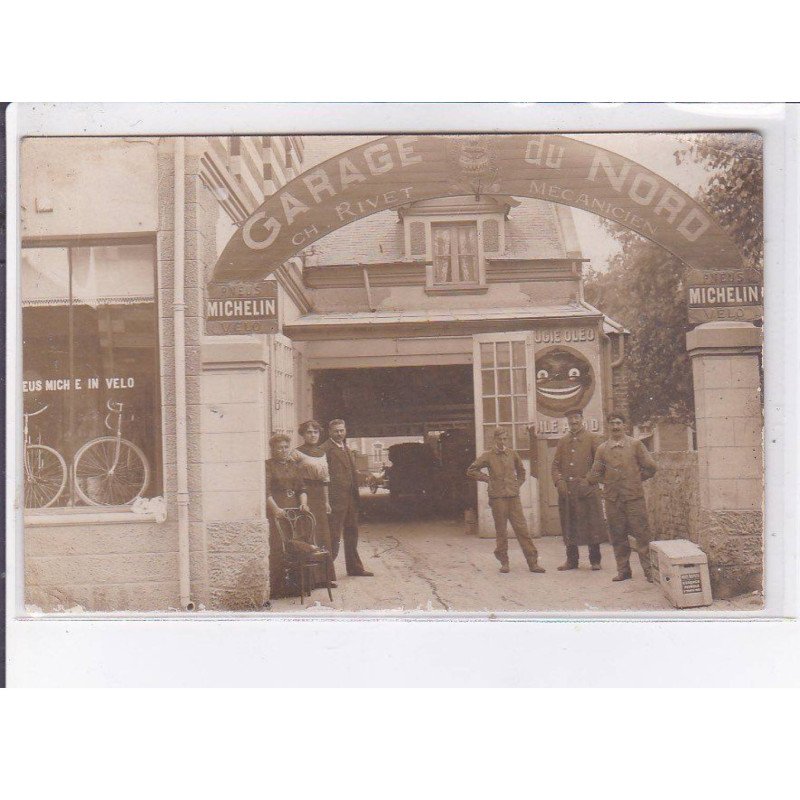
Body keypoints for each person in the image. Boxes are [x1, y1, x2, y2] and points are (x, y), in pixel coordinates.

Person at [587, 411, 657, 582]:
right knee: (618, 536)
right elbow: (594, 475)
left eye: (618, 423)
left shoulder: (636, 445)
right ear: (608, 426)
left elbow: (651, 467)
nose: (615, 426)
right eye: (612, 423)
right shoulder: (602, 449)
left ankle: (649, 571)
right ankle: (623, 571)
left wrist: (637, 479)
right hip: (613, 500)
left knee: (642, 536)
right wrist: (609, 481)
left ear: (625, 426)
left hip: (634, 498)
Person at [466, 427, 545, 574]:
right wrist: (487, 479)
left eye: (505, 439)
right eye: (500, 439)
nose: (502, 442)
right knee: (501, 531)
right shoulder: (488, 456)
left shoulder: (512, 454)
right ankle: (504, 562)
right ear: (495, 439)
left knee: (522, 530)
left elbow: (522, 471)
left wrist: (516, 484)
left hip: (513, 498)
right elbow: (471, 470)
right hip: (498, 499)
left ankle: (533, 563)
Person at [551, 408, 609, 571]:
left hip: (587, 490)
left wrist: (588, 480)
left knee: (592, 525)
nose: (573, 421)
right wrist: (559, 481)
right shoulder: (563, 441)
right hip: (568, 491)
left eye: (576, 418)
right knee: (569, 525)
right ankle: (572, 560)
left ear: (582, 419)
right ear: (567, 421)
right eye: (570, 419)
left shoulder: (592, 439)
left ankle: (595, 560)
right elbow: (555, 466)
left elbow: (600, 464)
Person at [321, 419, 374, 577]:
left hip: (350, 498)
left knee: (352, 533)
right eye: (336, 431)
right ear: (329, 432)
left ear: (345, 430)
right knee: (334, 535)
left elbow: (350, 472)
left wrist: (365, 477)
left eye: (342, 430)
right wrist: (326, 501)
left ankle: (355, 568)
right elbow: (323, 477)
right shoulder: (325, 449)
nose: (339, 434)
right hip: (335, 500)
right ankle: (326, 573)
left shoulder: (346, 447)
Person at [265, 433, 312, 598]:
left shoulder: (294, 465)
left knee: (297, 545)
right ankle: (277, 589)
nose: (284, 450)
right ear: (272, 449)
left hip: (294, 513)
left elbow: (302, 489)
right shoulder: (268, 466)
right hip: (277, 512)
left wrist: (303, 504)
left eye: (286, 447)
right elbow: (266, 492)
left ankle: (297, 587)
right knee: (278, 548)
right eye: (279, 448)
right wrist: (275, 509)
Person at [293, 420, 337, 588]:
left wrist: (326, 502)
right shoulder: (296, 453)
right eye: (309, 432)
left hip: (319, 497)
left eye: (315, 432)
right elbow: (291, 476)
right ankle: (310, 579)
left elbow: (325, 479)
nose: (313, 435)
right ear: (303, 434)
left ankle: (325, 578)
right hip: (305, 495)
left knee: (323, 535)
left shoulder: (322, 453)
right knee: (309, 534)